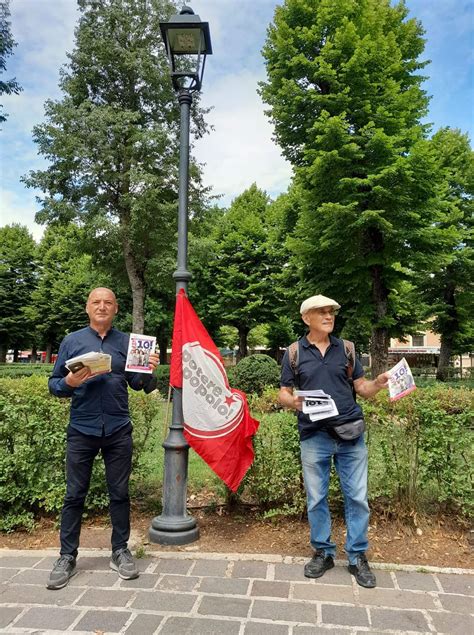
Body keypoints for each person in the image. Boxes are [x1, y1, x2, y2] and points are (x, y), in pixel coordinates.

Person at [46, 287, 159, 590]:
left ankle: (120, 551)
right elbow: (54, 385)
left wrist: (148, 369)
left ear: (116, 308)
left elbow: (139, 384)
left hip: (118, 429)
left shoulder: (127, 343)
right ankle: (67, 556)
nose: (102, 306)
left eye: (108, 302)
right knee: (73, 495)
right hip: (82, 429)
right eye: (96, 302)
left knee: (119, 493)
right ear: (87, 308)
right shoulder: (72, 341)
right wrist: (69, 381)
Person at [279, 294, 390, 588]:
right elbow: (283, 393)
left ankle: (357, 557)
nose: (329, 316)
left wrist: (377, 384)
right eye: (322, 312)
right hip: (314, 436)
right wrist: (295, 404)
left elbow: (362, 389)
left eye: (332, 312)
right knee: (316, 499)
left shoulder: (348, 349)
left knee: (357, 498)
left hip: (350, 434)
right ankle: (323, 552)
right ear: (307, 318)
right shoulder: (293, 352)